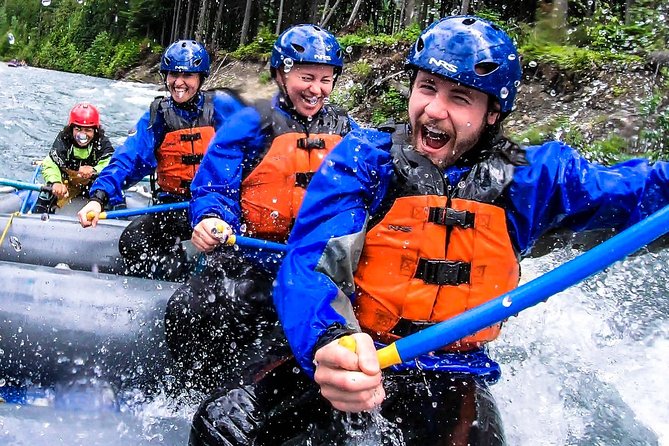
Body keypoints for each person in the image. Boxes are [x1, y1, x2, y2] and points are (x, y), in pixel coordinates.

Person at [189, 15, 669, 445]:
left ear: (493, 114)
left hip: (450, 371)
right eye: (426, 88)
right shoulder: (364, 160)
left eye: (459, 98)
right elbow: (313, 261)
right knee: (220, 426)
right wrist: (329, 338)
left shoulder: (536, 175)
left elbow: (639, 188)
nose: (435, 111)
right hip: (351, 345)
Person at [164, 24, 357, 391]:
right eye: (306, 77)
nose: (316, 89)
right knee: (190, 309)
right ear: (281, 75)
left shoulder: (348, 130)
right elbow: (214, 186)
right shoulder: (250, 122)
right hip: (252, 258)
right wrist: (211, 218)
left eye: (326, 80)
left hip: (319, 267)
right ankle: (196, 390)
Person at [76, 39, 246, 281]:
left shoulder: (223, 108)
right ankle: (175, 271)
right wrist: (98, 198)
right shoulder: (158, 116)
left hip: (219, 207)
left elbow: (256, 150)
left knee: (229, 261)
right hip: (174, 207)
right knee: (133, 243)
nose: (178, 82)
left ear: (200, 77)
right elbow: (129, 158)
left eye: (187, 75)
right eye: (172, 74)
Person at [34, 103, 114, 214]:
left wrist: (94, 170)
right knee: (46, 194)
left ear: (95, 130)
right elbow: (50, 162)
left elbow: (111, 164)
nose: (82, 135)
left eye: (88, 130)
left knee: (111, 194)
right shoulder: (64, 139)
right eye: (78, 129)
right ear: (72, 129)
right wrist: (55, 182)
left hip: (92, 184)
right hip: (67, 182)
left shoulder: (102, 141)